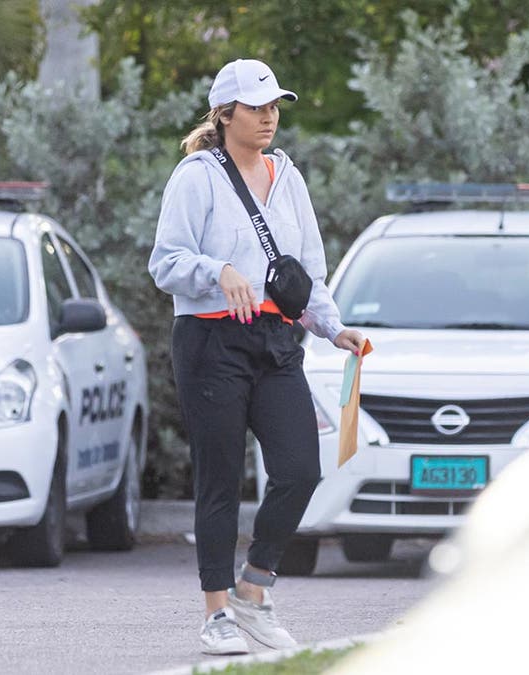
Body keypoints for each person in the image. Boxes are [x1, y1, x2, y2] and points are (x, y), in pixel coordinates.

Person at [149, 58, 366, 655]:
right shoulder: (196, 176)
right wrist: (217, 271)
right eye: (256, 107)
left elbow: (308, 271)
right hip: (210, 341)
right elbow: (165, 262)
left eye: (274, 106)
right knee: (219, 476)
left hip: (275, 341)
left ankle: (254, 589)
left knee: (300, 469)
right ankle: (216, 612)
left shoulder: (287, 176)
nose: (269, 117)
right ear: (224, 115)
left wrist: (332, 327)